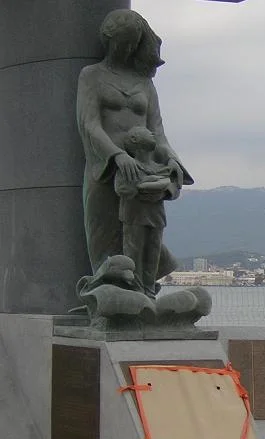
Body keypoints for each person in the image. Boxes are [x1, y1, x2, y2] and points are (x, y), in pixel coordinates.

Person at [76, 9, 192, 284]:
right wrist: (117, 155)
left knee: (145, 235)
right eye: (121, 41)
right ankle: (105, 299)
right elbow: (89, 124)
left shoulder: (145, 83)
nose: (125, 48)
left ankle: (142, 295)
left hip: (144, 170)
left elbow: (158, 132)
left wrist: (172, 160)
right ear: (109, 40)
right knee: (104, 235)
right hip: (106, 169)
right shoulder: (91, 75)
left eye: (131, 42)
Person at [114, 126, 179, 298]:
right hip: (133, 216)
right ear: (135, 140)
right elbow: (122, 188)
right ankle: (134, 292)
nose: (152, 134)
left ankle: (149, 292)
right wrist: (146, 186)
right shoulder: (129, 167)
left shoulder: (161, 167)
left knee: (153, 254)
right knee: (133, 254)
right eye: (146, 132)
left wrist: (164, 190)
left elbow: (174, 187)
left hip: (156, 217)